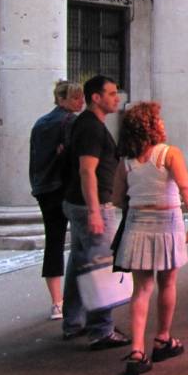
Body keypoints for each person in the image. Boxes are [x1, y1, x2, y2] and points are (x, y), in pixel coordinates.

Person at [111, 102, 188, 375]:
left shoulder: (126, 163)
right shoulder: (169, 154)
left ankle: (137, 350)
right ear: (152, 125)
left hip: (137, 225)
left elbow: (116, 199)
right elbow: (185, 187)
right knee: (168, 283)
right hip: (167, 222)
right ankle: (162, 338)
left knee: (141, 290)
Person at [61, 75, 131, 350]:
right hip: (92, 205)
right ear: (96, 98)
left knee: (81, 262)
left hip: (80, 203)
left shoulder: (89, 124)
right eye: (112, 93)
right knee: (101, 265)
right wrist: (94, 211)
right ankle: (101, 329)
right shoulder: (90, 127)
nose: (117, 98)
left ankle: (73, 321)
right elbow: (87, 170)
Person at [29, 80, 84, 320]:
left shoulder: (40, 123)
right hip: (65, 188)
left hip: (44, 188)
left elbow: (34, 158)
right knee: (82, 242)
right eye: (75, 98)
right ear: (63, 100)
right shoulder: (71, 121)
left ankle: (56, 301)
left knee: (53, 242)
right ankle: (83, 297)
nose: (80, 102)